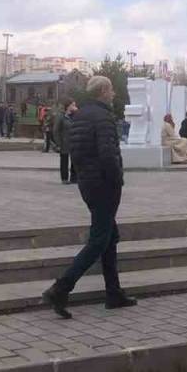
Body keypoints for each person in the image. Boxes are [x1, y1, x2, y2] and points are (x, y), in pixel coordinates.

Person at [43, 76, 137, 319]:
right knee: (99, 239)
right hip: (105, 184)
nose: (114, 94)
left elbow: (75, 151)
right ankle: (61, 288)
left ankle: (113, 293)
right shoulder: (103, 116)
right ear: (104, 91)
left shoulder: (80, 115)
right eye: (112, 89)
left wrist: (86, 175)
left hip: (87, 182)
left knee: (109, 236)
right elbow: (108, 154)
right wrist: (117, 179)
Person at [53, 99, 78, 184]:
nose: (75, 107)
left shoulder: (75, 116)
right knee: (64, 161)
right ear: (68, 106)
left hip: (74, 142)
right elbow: (56, 131)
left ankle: (74, 178)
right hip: (64, 143)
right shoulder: (61, 116)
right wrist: (58, 143)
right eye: (73, 105)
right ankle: (64, 178)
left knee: (75, 161)